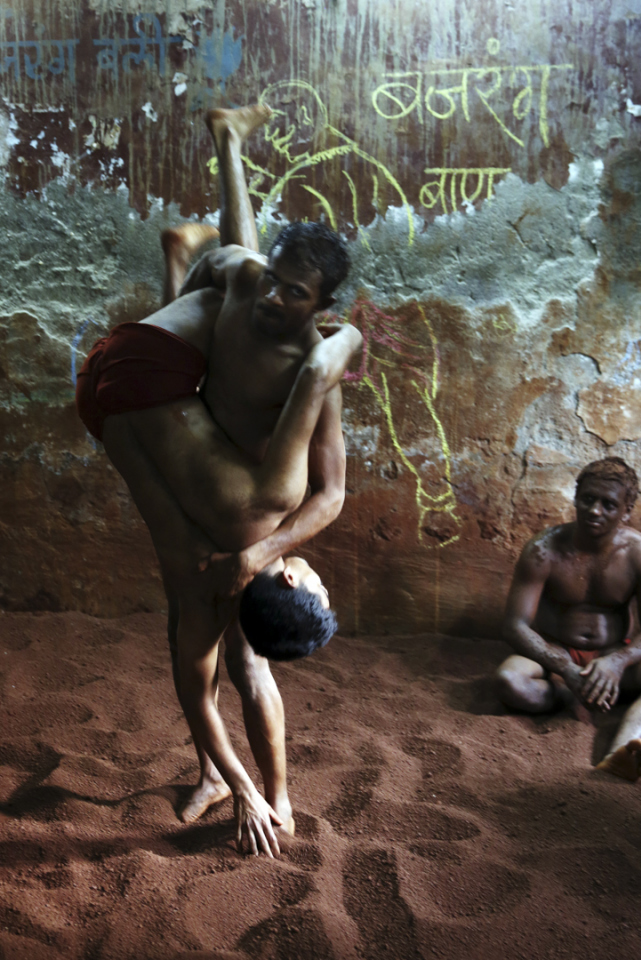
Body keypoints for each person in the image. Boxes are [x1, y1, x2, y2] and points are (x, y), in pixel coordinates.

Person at [76, 102, 362, 856]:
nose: (277, 297)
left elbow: (331, 494)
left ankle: (254, 787)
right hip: (168, 410)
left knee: (234, 650)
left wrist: (337, 350)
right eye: (278, 283)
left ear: (322, 308)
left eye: (296, 295)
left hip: (171, 438)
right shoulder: (249, 284)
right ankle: (241, 783)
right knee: (227, 652)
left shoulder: (306, 390)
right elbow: (245, 251)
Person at [496, 457, 641, 782]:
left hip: (613, 656)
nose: (595, 510)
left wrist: (618, 662)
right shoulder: (543, 550)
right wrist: (565, 670)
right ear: (576, 498)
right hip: (556, 655)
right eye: (588, 499)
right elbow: (514, 625)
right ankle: (571, 695)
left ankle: (621, 751)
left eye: (608, 504)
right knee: (509, 680)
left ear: (626, 510)